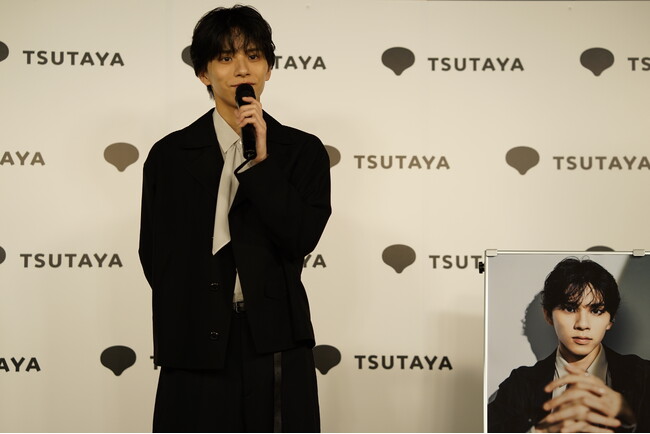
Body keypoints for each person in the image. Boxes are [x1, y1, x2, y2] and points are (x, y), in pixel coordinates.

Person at [138, 5, 331, 432]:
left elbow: (301, 236)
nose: (242, 68)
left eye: (254, 56)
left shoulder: (302, 152)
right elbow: (155, 255)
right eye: (226, 58)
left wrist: (262, 165)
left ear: (269, 69)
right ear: (203, 73)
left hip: (275, 339)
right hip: (193, 340)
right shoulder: (169, 155)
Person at [488, 258, 650, 432]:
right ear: (548, 315)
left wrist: (630, 418)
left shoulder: (643, 376)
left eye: (596, 311)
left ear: (611, 319)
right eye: (570, 309)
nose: (582, 324)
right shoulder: (520, 385)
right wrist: (540, 431)